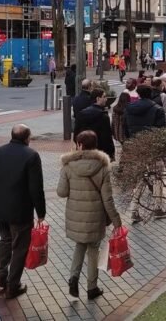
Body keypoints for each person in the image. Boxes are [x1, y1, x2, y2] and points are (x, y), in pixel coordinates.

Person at [0, 124, 46, 300]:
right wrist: (41, 212)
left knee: (5, 240)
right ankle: (13, 285)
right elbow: (36, 188)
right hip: (20, 210)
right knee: (20, 247)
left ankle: (1, 276)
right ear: (27, 138)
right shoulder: (31, 155)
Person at [57, 129, 122, 301]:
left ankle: (73, 277)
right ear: (95, 145)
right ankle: (92, 288)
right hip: (95, 217)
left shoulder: (68, 166)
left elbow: (61, 192)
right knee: (93, 249)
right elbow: (107, 199)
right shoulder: (103, 167)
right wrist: (116, 221)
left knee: (80, 245)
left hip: (76, 217)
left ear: (79, 145)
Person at [123, 85, 166, 221]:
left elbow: (125, 129)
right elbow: (162, 132)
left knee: (140, 178)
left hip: (136, 146)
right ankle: (157, 208)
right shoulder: (157, 109)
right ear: (151, 94)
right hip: (153, 148)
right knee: (157, 177)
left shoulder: (129, 109)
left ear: (138, 94)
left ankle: (134, 210)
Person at [74, 88, 115, 161]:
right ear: (98, 98)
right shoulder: (103, 116)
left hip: (84, 151)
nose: (106, 99)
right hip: (99, 153)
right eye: (104, 97)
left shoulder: (81, 114)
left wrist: (79, 147)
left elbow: (76, 134)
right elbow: (107, 138)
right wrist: (110, 154)